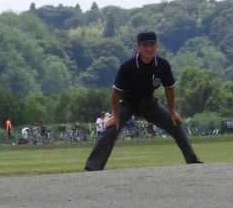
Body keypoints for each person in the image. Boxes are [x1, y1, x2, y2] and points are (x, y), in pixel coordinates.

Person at [84, 31, 201, 171]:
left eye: (152, 44)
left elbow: (169, 89)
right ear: (138, 47)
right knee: (111, 129)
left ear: (157, 45)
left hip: (149, 103)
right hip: (128, 103)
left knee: (175, 124)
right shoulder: (128, 66)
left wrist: (172, 112)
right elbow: (115, 92)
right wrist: (115, 116)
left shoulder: (163, 65)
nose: (149, 48)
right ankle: (92, 167)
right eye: (145, 45)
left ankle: (192, 160)